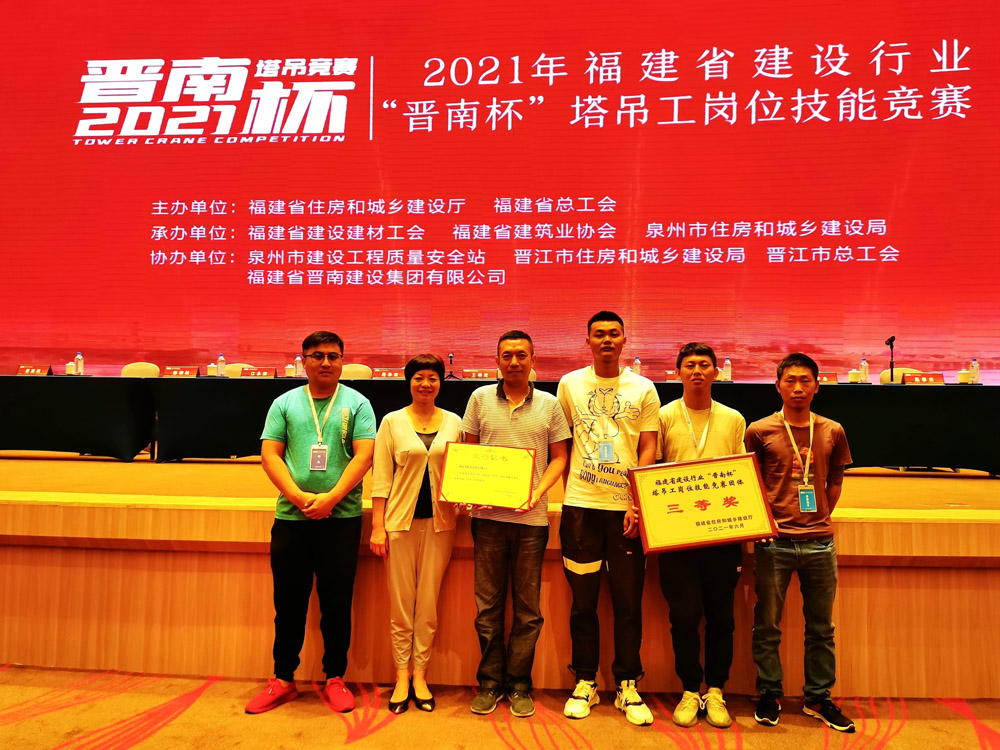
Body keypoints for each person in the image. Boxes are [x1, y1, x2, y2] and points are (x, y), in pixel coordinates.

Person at [245, 331, 376, 715]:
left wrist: (331, 498)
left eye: (333, 356)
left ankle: (335, 677)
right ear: (303, 360)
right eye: (317, 355)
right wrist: (299, 498)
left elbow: (364, 456)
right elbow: (270, 455)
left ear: (342, 360)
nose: (326, 362)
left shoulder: (358, 403)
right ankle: (283, 679)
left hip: (342, 518)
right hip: (292, 518)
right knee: (288, 604)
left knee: (337, 603)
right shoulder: (284, 403)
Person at [557, 311, 660, 726]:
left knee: (627, 603)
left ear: (623, 340)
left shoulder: (643, 388)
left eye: (613, 334)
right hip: (580, 509)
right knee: (583, 603)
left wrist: (637, 502)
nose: (606, 340)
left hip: (627, 513)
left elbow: (649, 447)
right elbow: (563, 443)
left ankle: (627, 684)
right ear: (587, 341)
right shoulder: (569, 384)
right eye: (598, 334)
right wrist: (571, 491)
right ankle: (585, 681)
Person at [462, 330, 571, 718]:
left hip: (531, 522)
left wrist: (537, 492)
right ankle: (490, 683)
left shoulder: (550, 404)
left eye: (521, 355)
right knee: (487, 608)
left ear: (532, 360)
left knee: (528, 611)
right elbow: (468, 454)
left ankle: (520, 684)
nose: (514, 362)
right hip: (487, 519)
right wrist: (471, 487)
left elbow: (560, 457)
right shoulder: (478, 399)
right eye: (506, 355)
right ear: (496, 361)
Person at [744, 352, 855, 733]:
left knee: (821, 628)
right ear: (777, 385)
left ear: (817, 386)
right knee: (767, 625)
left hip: (820, 544)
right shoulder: (759, 430)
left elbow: (835, 481)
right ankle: (769, 692)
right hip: (774, 543)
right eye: (790, 380)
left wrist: (819, 516)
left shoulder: (832, 430)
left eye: (805, 380)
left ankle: (818, 697)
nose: (797, 388)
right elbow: (750, 482)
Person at [656, 343, 746, 729]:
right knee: (684, 617)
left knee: (722, 618)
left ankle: (717, 690)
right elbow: (653, 469)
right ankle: (691, 689)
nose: (697, 371)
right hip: (677, 534)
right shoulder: (663, 415)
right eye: (690, 365)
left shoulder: (733, 419)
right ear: (678, 372)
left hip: (722, 534)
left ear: (716, 372)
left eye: (704, 365)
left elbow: (742, 474)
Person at [370, 354, 461, 714]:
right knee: (401, 605)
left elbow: (463, 471)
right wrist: (378, 526)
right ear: (409, 382)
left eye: (432, 378)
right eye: (419, 377)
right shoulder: (392, 422)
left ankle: (420, 674)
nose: (426, 384)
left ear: (441, 383)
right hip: (398, 525)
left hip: (441, 525)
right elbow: (381, 478)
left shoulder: (454, 422)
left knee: (427, 605)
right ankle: (401, 676)